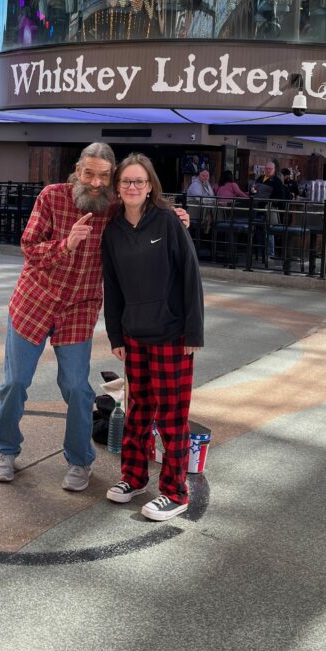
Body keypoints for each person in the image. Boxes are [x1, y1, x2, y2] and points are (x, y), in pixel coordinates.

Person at [0, 143, 189, 492]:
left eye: (103, 175)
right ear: (77, 170)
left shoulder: (113, 206)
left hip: (80, 308)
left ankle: (80, 460)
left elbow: (145, 203)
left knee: (77, 389)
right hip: (33, 303)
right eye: (89, 173)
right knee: (15, 383)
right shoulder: (52, 197)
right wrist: (65, 244)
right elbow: (28, 247)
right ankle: (5, 450)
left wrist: (177, 216)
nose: (95, 182)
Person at [102, 153, 204, 522]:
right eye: (126, 181)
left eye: (139, 182)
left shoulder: (168, 222)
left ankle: (175, 492)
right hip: (134, 335)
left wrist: (193, 331)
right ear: (118, 187)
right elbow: (111, 286)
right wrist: (116, 334)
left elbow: (191, 276)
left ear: (150, 188)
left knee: (172, 416)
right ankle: (134, 477)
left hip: (172, 335)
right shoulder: (112, 230)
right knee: (137, 412)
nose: (132, 187)